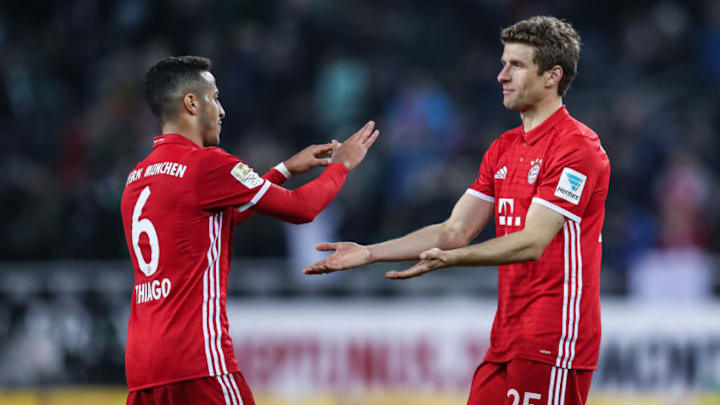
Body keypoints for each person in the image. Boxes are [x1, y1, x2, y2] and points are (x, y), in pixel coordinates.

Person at [304, 16, 609, 405]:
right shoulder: (503, 147)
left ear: (552, 76)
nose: (502, 75)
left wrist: (451, 259)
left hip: (554, 340)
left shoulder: (577, 148)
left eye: (516, 65)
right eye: (503, 63)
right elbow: (454, 230)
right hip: (506, 339)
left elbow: (533, 242)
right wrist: (370, 252)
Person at [120, 55, 378, 405]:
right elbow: (301, 209)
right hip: (198, 362)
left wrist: (284, 169)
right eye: (214, 97)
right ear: (191, 103)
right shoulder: (207, 164)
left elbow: (213, 223)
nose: (222, 110)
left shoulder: (138, 177)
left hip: (143, 369)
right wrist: (342, 166)